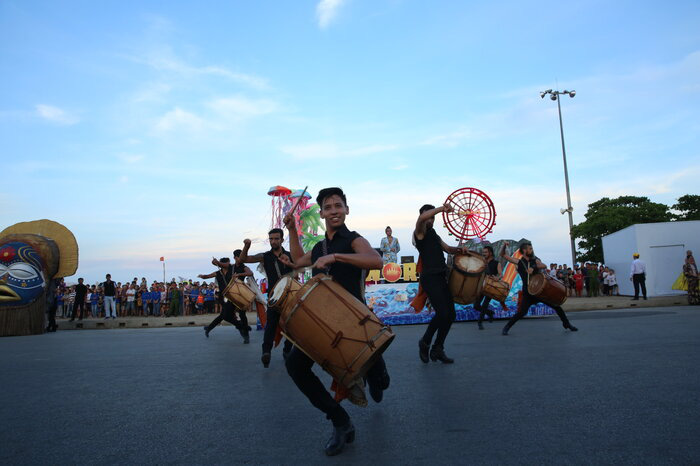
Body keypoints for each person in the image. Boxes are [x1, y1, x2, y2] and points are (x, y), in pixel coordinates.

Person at [281, 187, 390, 457]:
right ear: (322, 214)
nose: (334, 211)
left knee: (381, 381)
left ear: (346, 210)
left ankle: (377, 373)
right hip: (321, 319)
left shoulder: (353, 239)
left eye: (338, 205)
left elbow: (375, 260)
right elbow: (297, 261)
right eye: (328, 207)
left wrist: (337, 257)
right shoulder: (319, 247)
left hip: (356, 320)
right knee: (295, 365)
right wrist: (292, 231)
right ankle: (340, 421)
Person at [413, 203, 466, 363]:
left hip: (441, 277)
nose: (431, 219)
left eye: (433, 218)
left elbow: (448, 249)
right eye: (429, 216)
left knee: (451, 315)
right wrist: (442, 209)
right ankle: (425, 342)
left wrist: (459, 250)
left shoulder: (434, 234)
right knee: (442, 313)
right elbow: (422, 218)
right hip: (429, 278)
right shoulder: (419, 232)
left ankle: (438, 348)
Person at [240, 229, 295, 368]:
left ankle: (287, 350)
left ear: (282, 240)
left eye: (276, 238)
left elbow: (302, 264)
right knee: (271, 325)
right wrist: (246, 246)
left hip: (290, 295)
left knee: (291, 325)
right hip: (273, 297)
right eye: (271, 239)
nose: (273, 241)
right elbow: (243, 260)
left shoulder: (290, 255)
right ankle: (266, 352)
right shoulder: (265, 256)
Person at [500, 242, 578, 335]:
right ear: (524, 250)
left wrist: (533, 267)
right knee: (521, 312)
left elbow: (544, 265)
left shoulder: (535, 260)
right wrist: (504, 245)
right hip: (528, 292)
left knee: (556, 306)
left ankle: (567, 324)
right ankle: (507, 327)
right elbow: (503, 255)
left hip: (539, 291)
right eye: (530, 249)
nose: (532, 250)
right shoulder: (519, 262)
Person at [199, 254, 251, 343]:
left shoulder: (233, 269)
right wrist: (203, 276)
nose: (229, 264)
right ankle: (241, 327)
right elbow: (208, 276)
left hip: (236, 295)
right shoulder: (218, 273)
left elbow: (248, 272)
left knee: (237, 314)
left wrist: (217, 262)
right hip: (225, 298)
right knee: (225, 316)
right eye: (227, 263)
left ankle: (244, 332)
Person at [474, 245, 502, 330]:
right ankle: (490, 313)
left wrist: (497, 278)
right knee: (476, 306)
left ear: (490, 253)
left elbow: (501, 274)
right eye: (483, 252)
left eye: (485, 252)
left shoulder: (497, 263)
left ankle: (480, 322)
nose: (484, 254)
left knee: (485, 304)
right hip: (481, 286)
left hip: (491, 286)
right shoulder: (482, 262)